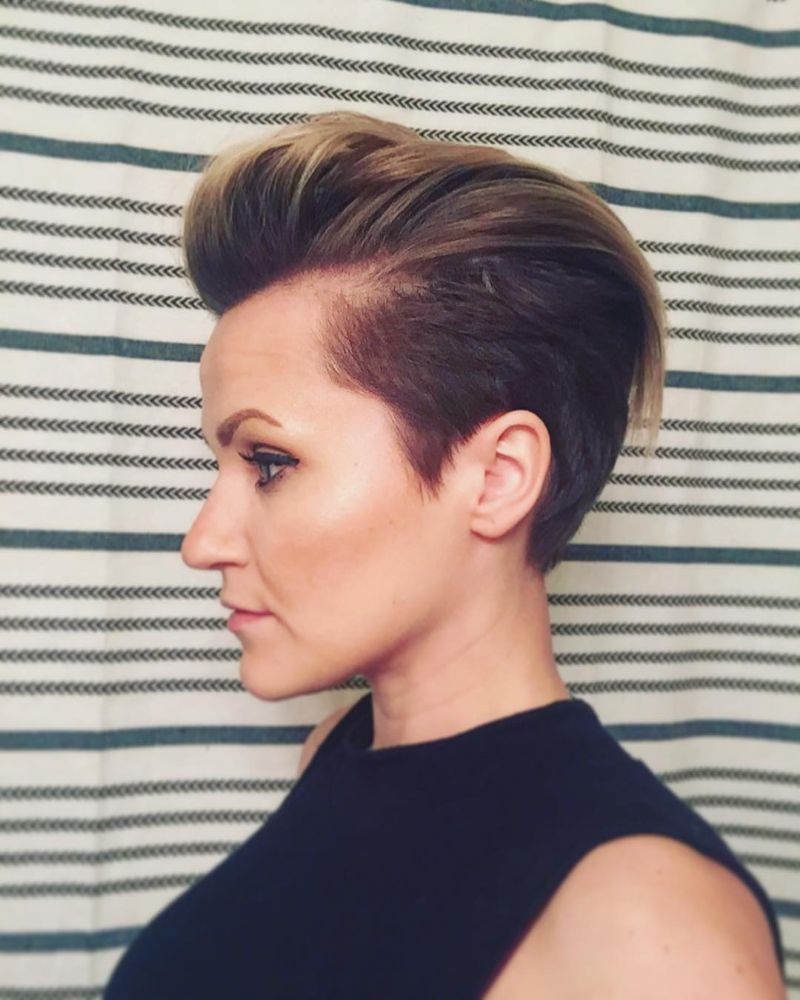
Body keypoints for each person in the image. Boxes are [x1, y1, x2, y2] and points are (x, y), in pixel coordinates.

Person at [103, 110, 786, 998]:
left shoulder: (648, 930)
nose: (203, 542)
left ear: (498, 477)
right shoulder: (340, 752)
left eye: (269, 463)